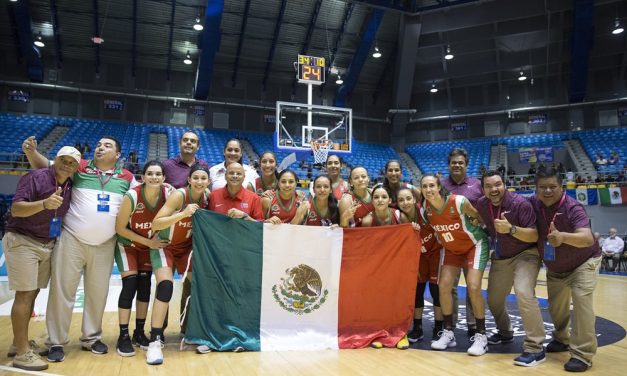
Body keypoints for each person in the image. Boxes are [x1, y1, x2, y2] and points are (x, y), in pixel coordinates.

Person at [22, 136, 136, 362]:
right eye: (98, 144)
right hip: (72, 239)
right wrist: (31, 153)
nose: (100, 147)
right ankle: (56, 341)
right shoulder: (80, 166)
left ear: (118, 155)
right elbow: (48, 170)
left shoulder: (127, 178)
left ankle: (91, 338)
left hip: (105, 244)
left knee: (97, 294)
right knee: (62, 292)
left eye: (107, 145)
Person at [2, 146, 80, 371]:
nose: (67, 164)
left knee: (33, 292)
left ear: (76, 167)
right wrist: (44, 204)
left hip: (46, 242)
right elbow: (16, 209)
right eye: (63, 159)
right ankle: (23, 354)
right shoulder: (35, 177)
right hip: (22, 240)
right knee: (25, 294)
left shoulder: (69, 185)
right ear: (55, 160)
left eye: (72, 162)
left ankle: (19, 344)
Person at [529, 169, 601, 372]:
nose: (548, 191)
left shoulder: (573, 207)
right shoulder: (533, 203)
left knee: (581, 302)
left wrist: (562, 237)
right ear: (536, 190)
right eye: (542, 187)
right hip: (556, 267)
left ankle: (583, 355)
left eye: (553, 186)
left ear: (562, 187)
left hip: (584, 262)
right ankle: (561, 338)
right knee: (557, 307)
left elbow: (587, 238)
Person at [476, 171, 546, 367]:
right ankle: (505, 332)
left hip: (526, 254)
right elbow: (475, 218)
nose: (494, 189)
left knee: (523, 292)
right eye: (489, 186)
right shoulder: (482, 204)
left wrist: (511, 229)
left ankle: (536, 348)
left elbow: (534, 235)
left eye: (497, 184)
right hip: (501, 257)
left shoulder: (519, 204)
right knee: (493, 298)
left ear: (504, 185)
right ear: (483, 189)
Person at [420, 175, 489, 356]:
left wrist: (477, 222)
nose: (428, 189)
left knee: (473, 287)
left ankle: (482, 336)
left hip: (474, 245)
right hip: (452, 250)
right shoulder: (425, 210)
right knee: (443, 286)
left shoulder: (458, 201)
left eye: (432, 186)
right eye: (424, 186)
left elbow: (479, 217)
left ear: (439, 186)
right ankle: (449, 332)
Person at [150, 164, 211, 365]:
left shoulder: (207, 197)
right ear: (189, 180)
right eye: (196, 178)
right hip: (165, 246)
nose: (200, 182)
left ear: (208, 181)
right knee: (165, 286)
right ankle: (155, 340)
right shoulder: (179, 195)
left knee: (200, 286)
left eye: (203, 178)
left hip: (185, 249)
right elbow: (156, 224)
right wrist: (183, 214)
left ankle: (194, 332)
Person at [114, 161, 170, 357]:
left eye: (158, 174)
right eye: (150, 173)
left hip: (148, 246)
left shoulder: (168, 195)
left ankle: (139, 332)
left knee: (145, 286)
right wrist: (148, 243)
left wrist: (149, 244)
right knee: (130, 285)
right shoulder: (133, 196)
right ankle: (123, 335)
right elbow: (120, 228)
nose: (154, 177)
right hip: (128, 244)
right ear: (143, 177)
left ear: (164, 178)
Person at [440, 148, 482, 337]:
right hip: (451, 245)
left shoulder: (477, 185)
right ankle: (450, 325)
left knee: (473, 287)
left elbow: (484, 210)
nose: (457, 165)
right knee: (450, 286)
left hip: (473, 243)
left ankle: (474, 326)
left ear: (466, 164)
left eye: (460, 162)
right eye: (454, 162)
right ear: (449, 164)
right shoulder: (440, 186)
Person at [396, 187, 444, 344]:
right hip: (418, 258)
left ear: (415, 199)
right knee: (417, 291)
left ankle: (439, 327)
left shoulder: (424, 212)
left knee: (436, 291)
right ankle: (417, 328)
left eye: (408, 198)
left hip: (436, 254)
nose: (405, 202)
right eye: (401, 200)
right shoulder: (400, 218)